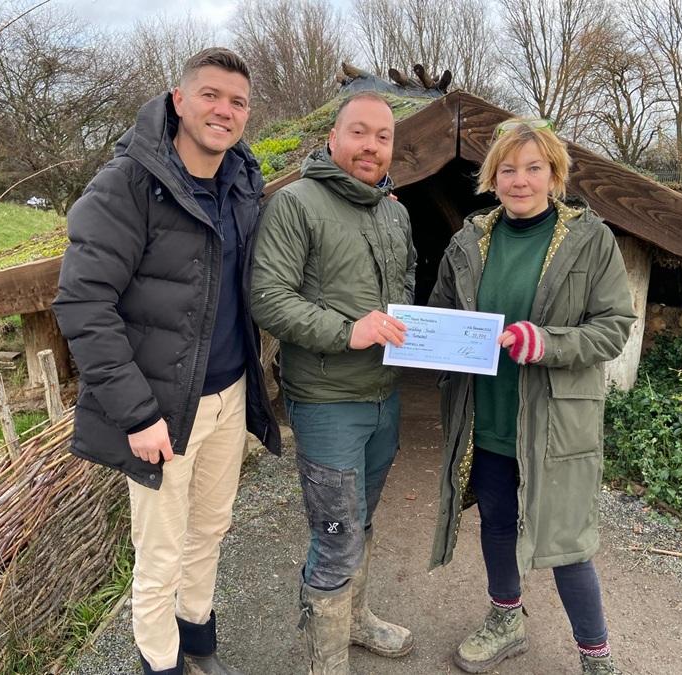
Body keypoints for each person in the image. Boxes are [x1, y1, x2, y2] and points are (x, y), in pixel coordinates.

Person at [53, 48, 280, 675]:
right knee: (159, 551)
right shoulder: (127, 184)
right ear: (178, 100)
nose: (224, 110)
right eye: (210, 95)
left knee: (211, 527)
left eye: (237, 102)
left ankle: (197, 636)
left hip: (229, 394)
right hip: (162, 408)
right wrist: (136, 413)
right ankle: (161, 661)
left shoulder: (243, 183)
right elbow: (83, 303)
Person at [428, 118, 635, 675]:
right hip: (488, 415)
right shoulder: (467, 242)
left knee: (566, 541)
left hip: (555, 422)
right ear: (492, 178)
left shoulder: (591, 240)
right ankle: (506, 619)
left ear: (554, 174)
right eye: (508, 169)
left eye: (533, 168)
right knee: (496, 522)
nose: (520, 180)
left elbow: (614, 326)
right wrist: (424, 338)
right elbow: (441, 311)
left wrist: (547, 342)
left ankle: (595, 654)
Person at [250, 91, 417, 674]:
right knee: (336, 531)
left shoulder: (394, 212)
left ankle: (356, 620)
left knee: (361, 519)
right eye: (359, 132)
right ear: (333, 138)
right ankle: (327, 662)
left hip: (384, 395)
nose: (371, 146)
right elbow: (269, 298)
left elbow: (405, 287)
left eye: (383, 137)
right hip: (327, 401)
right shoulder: (295, 204)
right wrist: (350, 332)